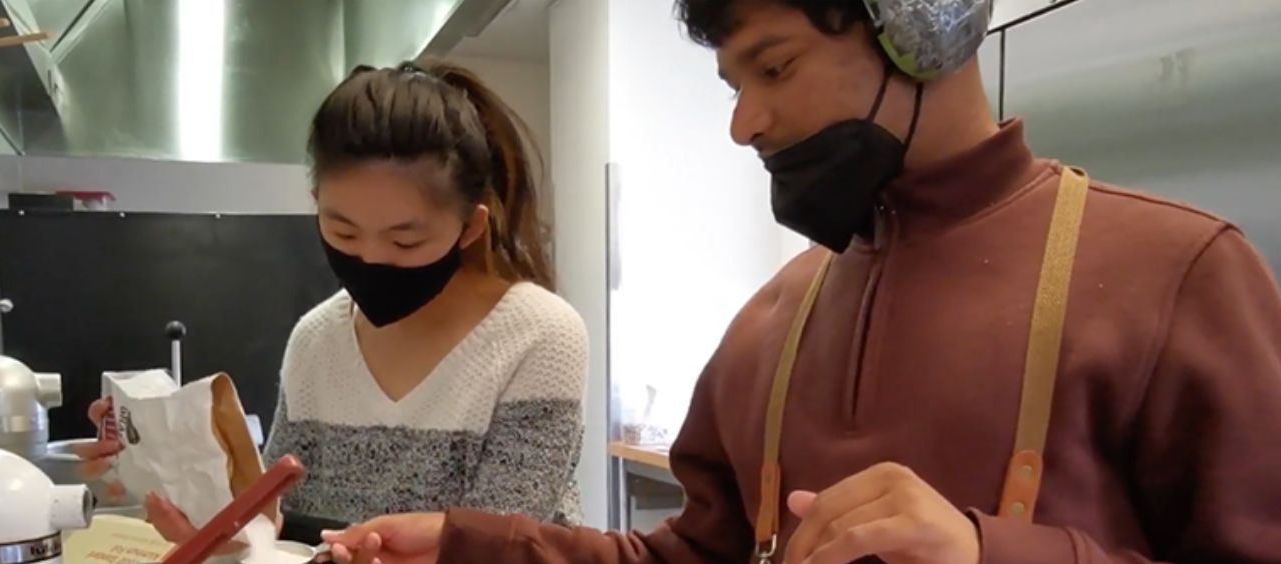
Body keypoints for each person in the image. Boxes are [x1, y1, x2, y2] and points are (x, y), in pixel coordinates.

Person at [323, 0, 1281, 563]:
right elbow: (690, 559)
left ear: (920, 28)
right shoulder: (774, 323)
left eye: (774, 68)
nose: (744, 124)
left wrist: (991, 551)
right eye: (734, 84)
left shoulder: (1178, 275)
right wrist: (464, 545)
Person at [76, 59, 590, 550]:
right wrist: (177, 477)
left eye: (405, 242)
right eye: (342, 229)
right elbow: (277, 517)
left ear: (470, 227)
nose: (369, 258)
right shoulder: (318, 339)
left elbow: (493, 543)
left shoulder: (539, 336)